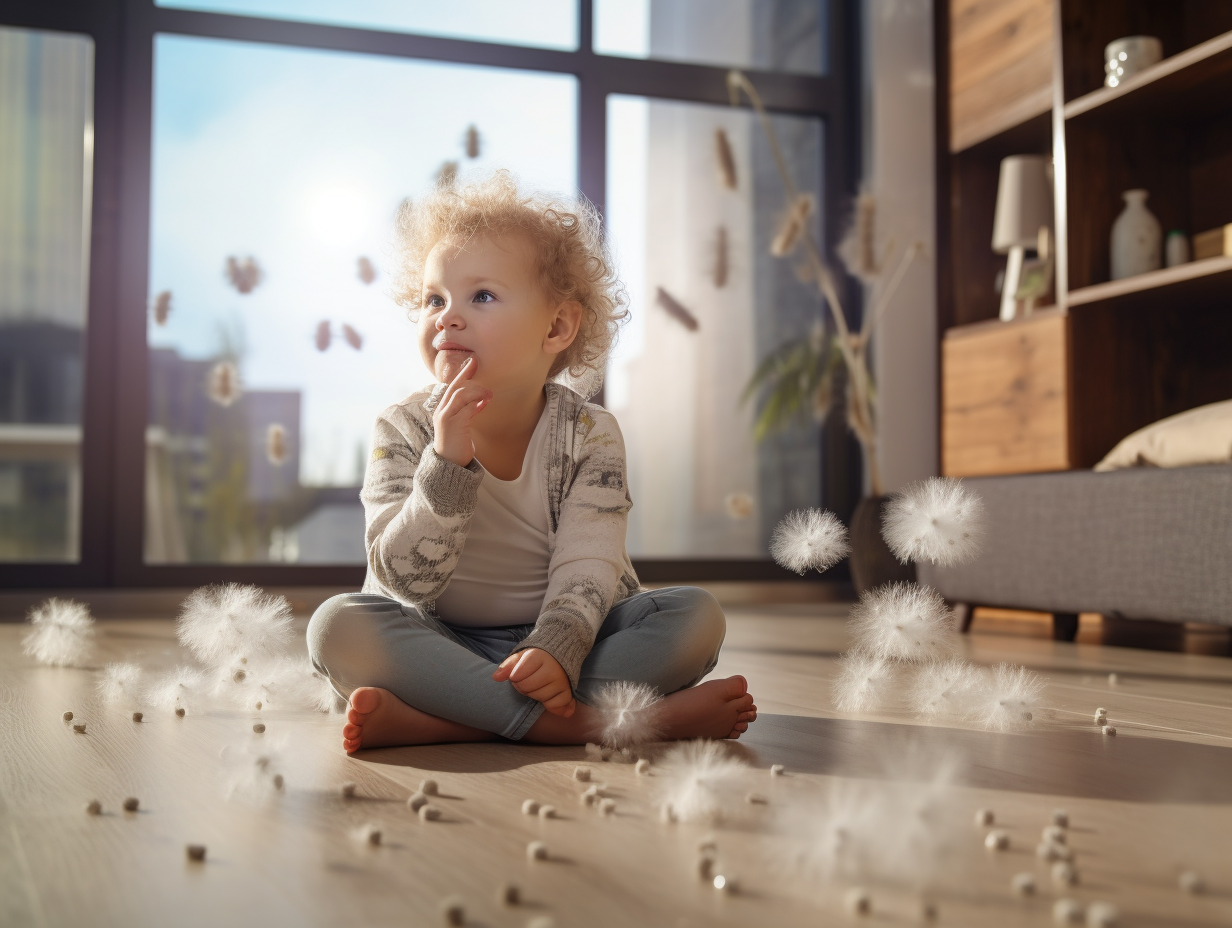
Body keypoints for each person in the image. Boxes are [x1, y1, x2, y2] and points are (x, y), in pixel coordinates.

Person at [307, 170, 757, 753]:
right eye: (433, 299)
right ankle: (594, 724)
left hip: (570, 640)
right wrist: (445, 463)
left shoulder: (591, 433)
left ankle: (443, 719)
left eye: (482, 296)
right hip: (437, 636)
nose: (447, 315)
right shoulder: (403, 428)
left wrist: (557, 647)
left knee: (697, 618)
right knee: (337, 627)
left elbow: (590, 561)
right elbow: (403, 578)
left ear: (557, 326)